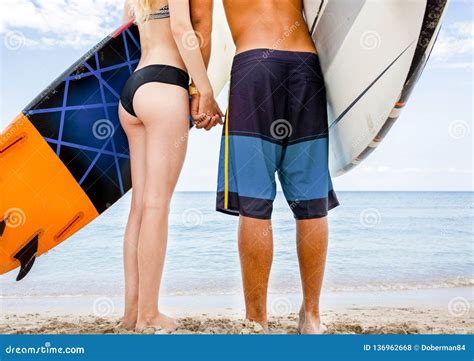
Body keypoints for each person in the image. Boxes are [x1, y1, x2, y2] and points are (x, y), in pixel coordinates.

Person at [216, 0, 339, 334]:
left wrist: (199, 90)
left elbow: (198, 20)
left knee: (254, 202)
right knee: (311, 202)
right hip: (305, 64)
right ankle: (311, 316)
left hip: (254, 66)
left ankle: (257, 320)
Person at [119, 0, 222, 333]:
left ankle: (131, 314)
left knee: (139, 207)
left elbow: (124, 33)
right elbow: (182, 29)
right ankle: (149, 315)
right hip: (166, 87)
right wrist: (203, 89)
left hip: (133, 91)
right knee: (156, 204)